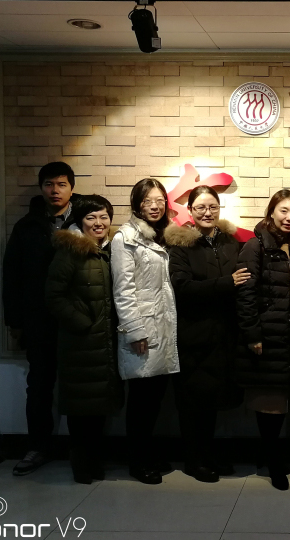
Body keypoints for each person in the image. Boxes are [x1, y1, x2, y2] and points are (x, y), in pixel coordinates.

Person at [165, 186, 249, 483]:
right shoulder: (180, 246)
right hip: (194, 334)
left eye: (212, 206)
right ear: (190, 211)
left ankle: (207, 455)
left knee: (212, 401)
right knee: (193, 403)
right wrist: (227, 283)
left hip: (223, 335)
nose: (207, 212)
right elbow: (183, 288)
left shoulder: (229, 242)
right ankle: (193, 460)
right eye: (200, 207)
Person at [3, 161, 80, 476]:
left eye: (61, 184)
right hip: (39, 320)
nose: (55, 190)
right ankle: (38, 447)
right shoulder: (27, 226)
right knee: (39, 386)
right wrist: (15, 321)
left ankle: (83, 449)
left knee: (79, 385)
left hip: (77, 319)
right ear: (41, 188)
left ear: (71, 187)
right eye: (49, 184)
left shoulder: (86, 218)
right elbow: (12, 275)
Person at [45, 195, 124, 484]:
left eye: (104, 217)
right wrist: (82, 324)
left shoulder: (112, 251)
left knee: (99, 407)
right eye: (91, 217)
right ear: (80, 222)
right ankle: (81, 463)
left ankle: (94, 459)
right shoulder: (70, 251)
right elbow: (54, 296)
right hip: (79, 343)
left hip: (106, 342)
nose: (98, 223)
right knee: (80, 409)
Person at [111, 178, 180, 485]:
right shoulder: (125, 238)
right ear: (136, 204)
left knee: (154, 400)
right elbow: (123, 290)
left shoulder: (164, 236)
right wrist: (135, 331)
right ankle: (137, 461)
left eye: (160, 200)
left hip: (163, 326)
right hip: (143, 331)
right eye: (147, 201)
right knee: (141, 401)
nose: (155, 206)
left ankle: (146, 454)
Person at [235, 189, 290, 491]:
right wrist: (252, 333)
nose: (289, 217)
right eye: (283, 211)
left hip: (289, 335)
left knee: (280, 399)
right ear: (271, 212)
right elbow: (245, 292)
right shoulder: (256, 245)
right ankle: (274, 462)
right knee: (270, 402)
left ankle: (270, 454)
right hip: (267, 335)